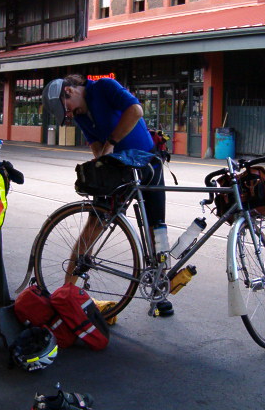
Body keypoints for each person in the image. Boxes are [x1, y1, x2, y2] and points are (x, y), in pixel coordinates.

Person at [43, 75, 173, 316]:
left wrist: (112, 142)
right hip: (118, 170)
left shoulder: (105, 87)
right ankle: (66, 292)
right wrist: (98, 170)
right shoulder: (81, 115)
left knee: (157, 228)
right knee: (95, 221)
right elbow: (95, 146)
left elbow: (135, 110)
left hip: (147, 163)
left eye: (66, 109)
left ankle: (160, 288)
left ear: (69, 91)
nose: (69, 115)